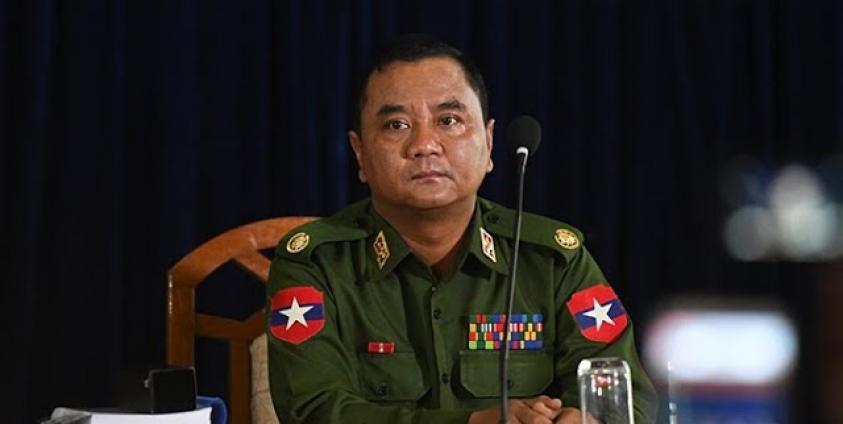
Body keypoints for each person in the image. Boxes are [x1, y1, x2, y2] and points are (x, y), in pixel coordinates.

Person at [266, 34, 658, 423]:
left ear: (488, 143)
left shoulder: (552, 261)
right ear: (360, 154)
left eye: (448, 120)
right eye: (397, 124)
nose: (424, 145)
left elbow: (627, 394)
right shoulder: (316, 263)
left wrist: (586, 419)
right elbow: (314, 412)